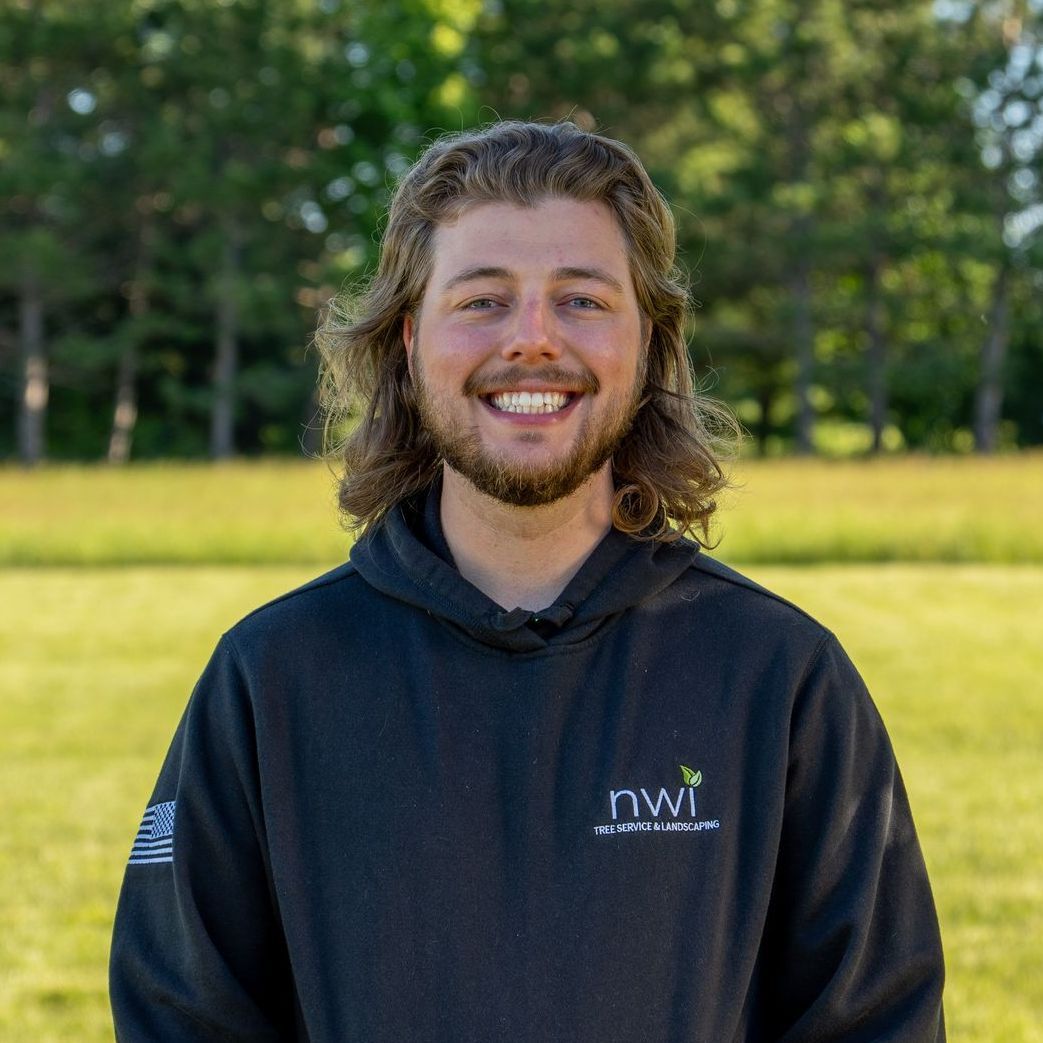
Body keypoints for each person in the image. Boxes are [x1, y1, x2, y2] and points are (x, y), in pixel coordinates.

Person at [110, 120, 945, 1041]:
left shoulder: (777, 676)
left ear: (650, 341)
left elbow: (879, 1019)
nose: (533, 340)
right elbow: (181, 1015)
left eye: (582, 300)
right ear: (406, 340)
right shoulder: (271, 678)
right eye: (482, 301)